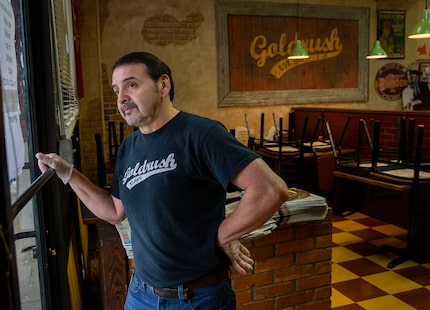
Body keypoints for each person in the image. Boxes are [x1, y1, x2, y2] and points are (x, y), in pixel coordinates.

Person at [36, 51, 289, 309]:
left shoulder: (202, 134)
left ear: (163, 85)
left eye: (131, 85)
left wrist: (223, 236)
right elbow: (114, 211)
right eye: (116, 90)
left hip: (195, 298)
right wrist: (67, 173)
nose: (121, 98)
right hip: (141, 294)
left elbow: (269, 189)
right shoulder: (129, 147)